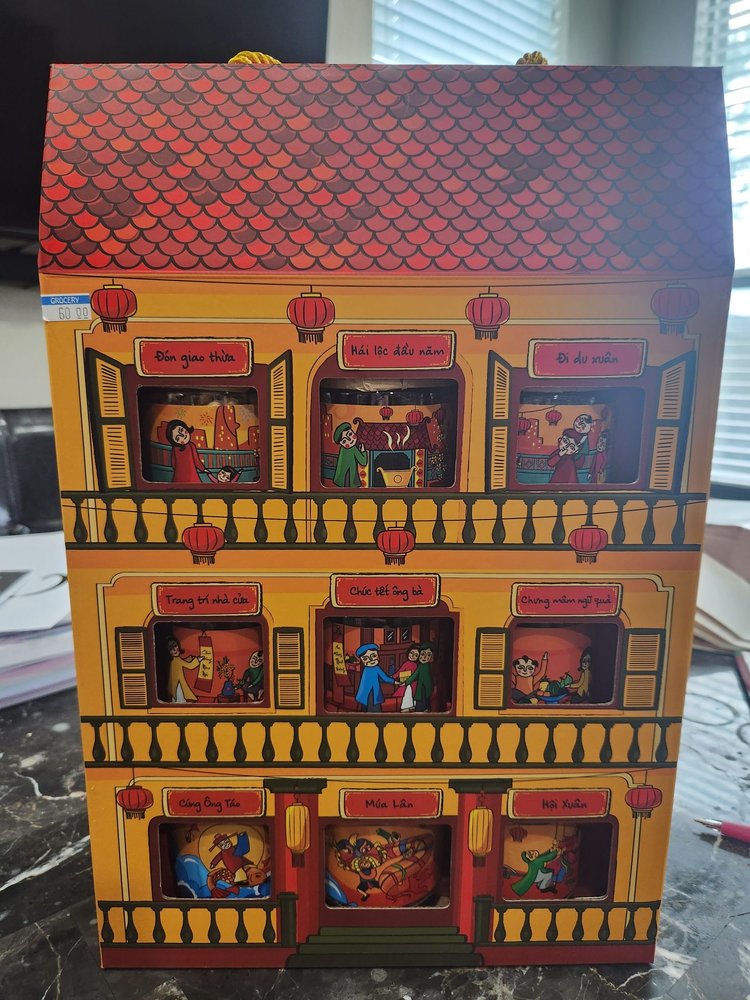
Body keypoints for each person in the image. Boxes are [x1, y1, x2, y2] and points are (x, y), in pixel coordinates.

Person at [166, 635, 207, 703]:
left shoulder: (175, 659)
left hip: (175, 685)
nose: (174, 650)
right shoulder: (176, 661)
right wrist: (198, 659)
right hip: (177, 685)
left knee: (177, 699)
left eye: (175, 646)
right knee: (180, 700)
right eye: (171, 649)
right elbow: (190, 666)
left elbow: (182, 662)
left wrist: (189, 658)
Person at [166, 419, 208, 484]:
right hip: (188, 475)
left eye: (182, 430)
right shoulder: (179, 448)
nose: (182, 436)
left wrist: (203, 469)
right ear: (174, 441)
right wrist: (203, 469)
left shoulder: (189, 446)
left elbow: (173, 463)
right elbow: (196, 461)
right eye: (178, 438)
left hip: (183, 474)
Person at [354, 643, 394, 712]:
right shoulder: (370, 669)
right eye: (365, 658)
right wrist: (395, 681)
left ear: (378, 656)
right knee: (373, 710)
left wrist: (393, 680)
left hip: (369, 694)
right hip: (370, 694)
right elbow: (384, 678)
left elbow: (382, 678)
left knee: (368, 709)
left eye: (373, 656)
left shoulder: (372, 669)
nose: (371, 660)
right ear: (362, 661)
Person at [401, 643, 436, 712]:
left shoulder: (431, 667)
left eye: (428, 655)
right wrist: (406, 682)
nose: (424, 657)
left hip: (428, 689)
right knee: (420, 703)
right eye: (422, 654)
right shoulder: (420, 667)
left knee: (427, 702)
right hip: (421, 688)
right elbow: (414, 676)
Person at [332, 422, 367, 488]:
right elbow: (363, 462)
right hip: (350, 479)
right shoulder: (353, 449)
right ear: (342, 444)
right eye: (344, 441)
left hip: (340, 480)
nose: (350, 440)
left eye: (350, 434)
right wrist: (363, 451)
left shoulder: (342, 449)